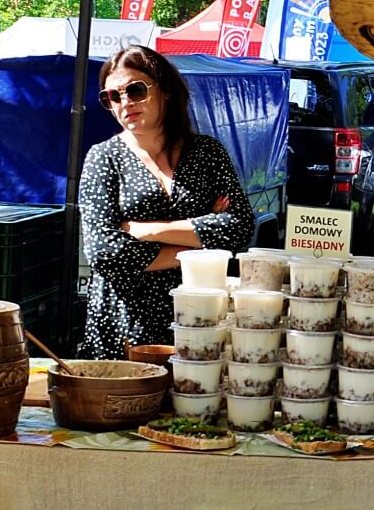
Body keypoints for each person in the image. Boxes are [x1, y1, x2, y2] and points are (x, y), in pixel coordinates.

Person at [77, 46, 254, 359]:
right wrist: (199, 249)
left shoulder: (207, 153)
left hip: (197, 318)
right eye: (113, 97)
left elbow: (238, 228)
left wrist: (146, 231)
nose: (125, 102)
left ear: (165, 90)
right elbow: (104, 251)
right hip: (123, 326)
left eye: (135, 90)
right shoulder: (103, 158)